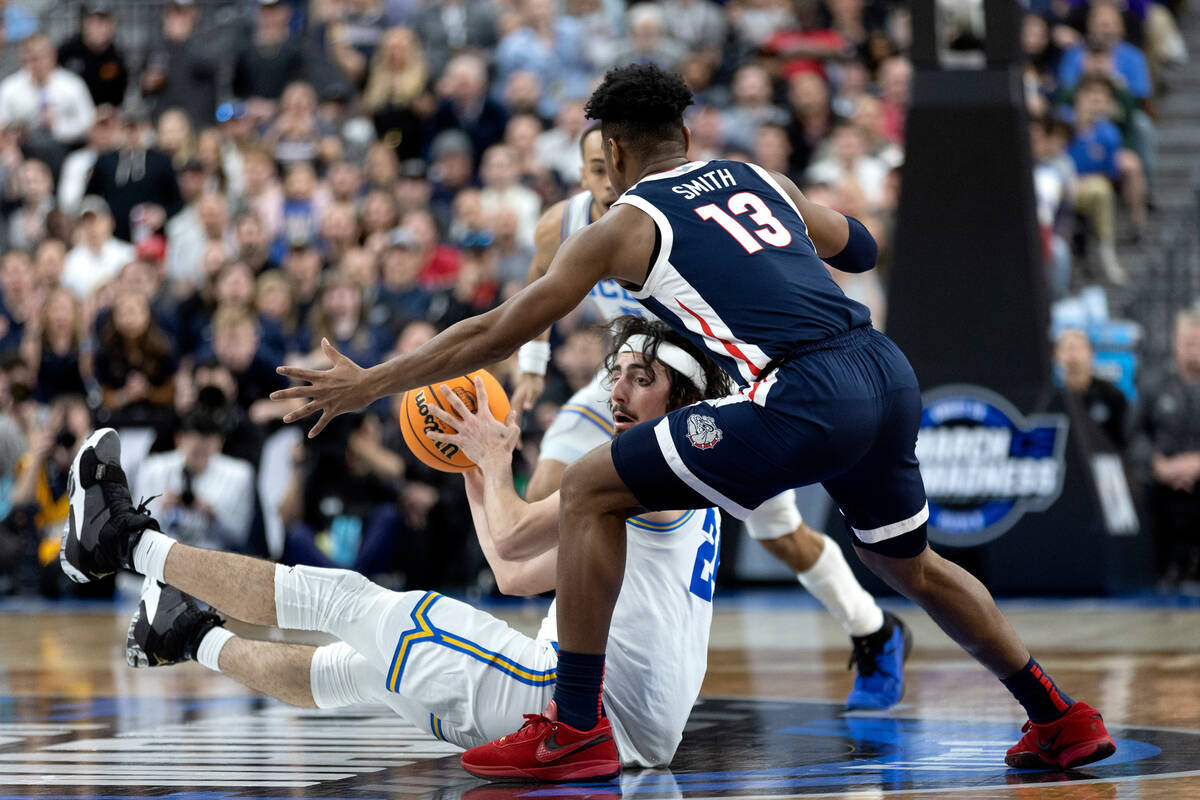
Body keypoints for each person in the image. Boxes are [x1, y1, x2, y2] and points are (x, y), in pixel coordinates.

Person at [269, 64, 1115, 778]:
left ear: (614, 148)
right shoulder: (755, 177)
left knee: (594, 486)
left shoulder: (629, 224)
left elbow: (499, 329)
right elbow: (860, 248)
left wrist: (370, 381)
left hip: (802, 389)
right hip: (884, 370)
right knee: (911, 563)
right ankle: (1058, 716)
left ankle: (573, 726)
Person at [61, 319, 734, 775]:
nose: (616, 391)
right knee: (358, 668)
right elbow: (512, 572)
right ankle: (184, 636)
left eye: (641, 379)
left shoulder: (636, 467)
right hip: (631, 728)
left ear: (685, 394)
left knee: (345, 598)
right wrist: (475, 472)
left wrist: (497, 463)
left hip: (571, 707)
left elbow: (507, 534)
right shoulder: (688, 474)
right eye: (617, 374)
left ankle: (121, 541)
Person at [512, 124, 909, 710]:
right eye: (595, 171)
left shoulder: (670, 211)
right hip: (622, 382)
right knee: (551, 491)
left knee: (781, 535)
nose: (607, 180)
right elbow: (534, 294)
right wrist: (532, 363)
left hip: (706, 383)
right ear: (584, 174)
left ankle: (873, 629)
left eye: (610, 166)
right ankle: (564, 661)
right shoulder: (566, 225)